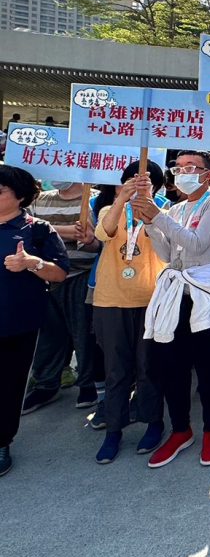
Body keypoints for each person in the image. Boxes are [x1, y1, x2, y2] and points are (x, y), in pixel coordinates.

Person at [134, 151, 210, 468]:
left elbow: (197, 244)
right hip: (174, 294)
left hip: (204, 293)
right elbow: (167, 254)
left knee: (208, 368)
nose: (184, 173)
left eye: (192, 167)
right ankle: (181, 429)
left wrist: (158, 216)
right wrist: (150, 222)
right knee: (172, 367)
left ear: (209, 174)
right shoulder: (176, 209)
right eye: (178, 168)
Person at [91, 162, 168, 463]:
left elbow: (170, 244)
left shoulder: (165, 210)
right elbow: (104, 233)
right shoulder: (108, 210)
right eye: (129, 182)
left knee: (149, 366)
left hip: (151, 299)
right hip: (111, 300)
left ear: (157, 187)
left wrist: (151, 210)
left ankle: (153, 422)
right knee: (116, 369)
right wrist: (122, 199)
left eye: (144, 183)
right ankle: (113, 430)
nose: (135, 188)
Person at [0, 165, 70, 477]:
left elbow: (60, 273)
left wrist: (32, 263)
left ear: (20, 197)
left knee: (8, 384)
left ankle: (2, 441)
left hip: (16, 323)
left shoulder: (37, 229)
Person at [21, 180, 101, 414]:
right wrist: (65, 230)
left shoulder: (94, 199)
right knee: (48, 335)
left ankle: (87, 384)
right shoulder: (40, 199)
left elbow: (94, 239)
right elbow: (27, 229)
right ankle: (46, 384)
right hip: (45, 275)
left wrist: (47, 228)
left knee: (83, 333)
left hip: (81, 275)